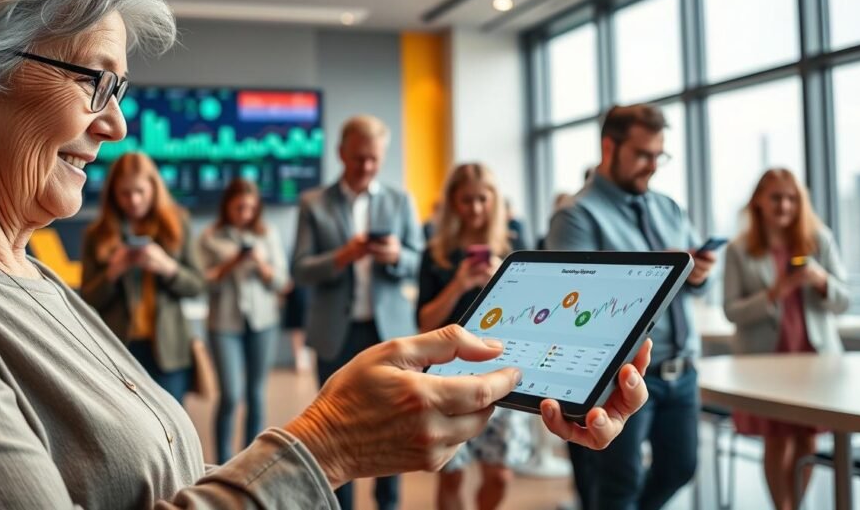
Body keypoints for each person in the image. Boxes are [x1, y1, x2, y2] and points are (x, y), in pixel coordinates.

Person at [0, 0, 651, 507]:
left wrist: (405, 413)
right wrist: (326, 443)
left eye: (121, 91)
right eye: (93, 82)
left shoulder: (15, 266)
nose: (117, 125)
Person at [547, 104, 718, 510]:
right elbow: (575, 305)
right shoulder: (575, 215)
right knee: (617, 485)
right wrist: (658, 269)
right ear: (610, 146)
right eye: (643, 154)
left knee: (681, 468)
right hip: (622, 376)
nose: (653, 166)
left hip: (681, 372)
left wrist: (697, 274)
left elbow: (695, 287)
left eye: (660, 155)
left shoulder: (668, 207)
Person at [291, 114, 424, 510]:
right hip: (336, 331)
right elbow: (299, 269)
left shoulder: (401, 200)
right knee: (337, 427)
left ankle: (388, 503)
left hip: (388, 331)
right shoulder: (313, 203)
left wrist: (399, 256)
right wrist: (343, 256)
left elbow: (421, 262)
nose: (366, 167)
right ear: (340, 154)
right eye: (358, 158)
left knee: (393, 424)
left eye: (373, 159)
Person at [723, 168, 849, 510]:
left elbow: (844, 299)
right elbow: (732, 311)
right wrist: (775, 292)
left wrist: (821, 281)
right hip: (765, 364)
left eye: (792, 198)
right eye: (776, 197)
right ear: (759, 202)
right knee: (776, 440)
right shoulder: (739, 249)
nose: (784, 205)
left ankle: (796, 504)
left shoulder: (818, 240)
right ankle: (784, 507)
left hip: (815, 360)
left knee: (808, 440)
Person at [417, 163, 532, 510]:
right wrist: (459, 284)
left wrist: (502, 280)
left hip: (502, 365)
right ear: (453, 201)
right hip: (449, 371)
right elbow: (424, 322)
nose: (476, 209)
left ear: (494, 199)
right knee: (451, 472)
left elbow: (535, 314)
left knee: (499, 475)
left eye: (483, 199)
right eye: (467, 200)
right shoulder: (435, 253)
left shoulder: (514, 247)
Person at [81, 152, 203, 404]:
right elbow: (88, 298)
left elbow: (197, 286)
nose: (133, 200)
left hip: (168, 349)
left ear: (154, 188)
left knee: (173, 430)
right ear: (113, 193)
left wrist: (168, 267)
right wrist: (113, 272)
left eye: (140, 191)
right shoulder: (96, 234)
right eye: (124, 193)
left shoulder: (178, 223)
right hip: (119, 348)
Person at [198, 178, 288, 463]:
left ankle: (251, 464)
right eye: (239, 207)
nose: (245, 213)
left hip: (263, 324)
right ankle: (224, 465)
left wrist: (262, 265)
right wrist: (231, 263)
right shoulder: (210, 237)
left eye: (251, 208)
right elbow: (201, 282)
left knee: (256, 395)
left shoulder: (268, 235)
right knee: (230, 395)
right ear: (228, 205)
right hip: (225, 325)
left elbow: (283, 282)